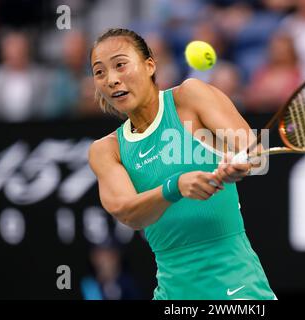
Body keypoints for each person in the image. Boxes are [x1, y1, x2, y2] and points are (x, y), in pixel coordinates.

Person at [88, 28, 276, 300]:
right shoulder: (106, 150)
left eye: (120, 65)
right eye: (100, 72)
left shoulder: (190, 97)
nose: (112, 79)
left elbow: (255, 153)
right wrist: (174, 187)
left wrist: (238, 164)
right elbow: (129, 213)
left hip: (238, 287)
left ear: (149, 65)